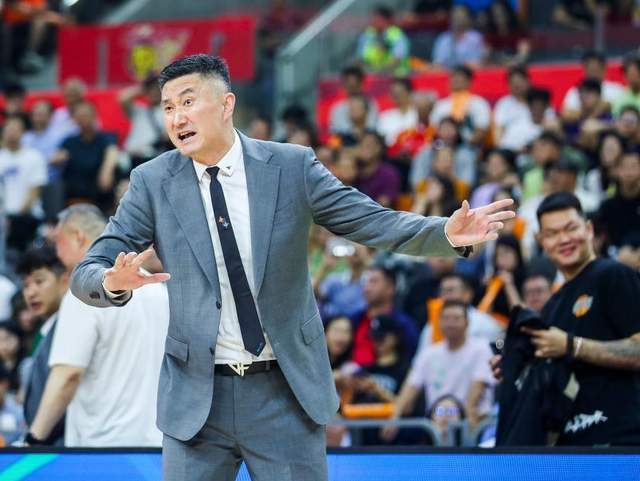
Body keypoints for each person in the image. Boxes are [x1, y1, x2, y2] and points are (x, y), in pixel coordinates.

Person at [70, 54, 513, 481]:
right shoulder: (151, 181)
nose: (177, 117)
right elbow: (90, 267)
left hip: (285, 391)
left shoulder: (291, 166)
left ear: (226, 105)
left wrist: (444, 232)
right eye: (168, 107)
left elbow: (371, 220)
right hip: (196, 398)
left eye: (188, 101)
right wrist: (111, 282)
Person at [492, 192, 640, 445]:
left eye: (571, 228)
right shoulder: (553, 304)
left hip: (619, 441)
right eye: (552, 233)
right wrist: (516, 366)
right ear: (541, 241)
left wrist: (572, 345)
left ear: (589, 229)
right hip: (570, 447)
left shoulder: (613, 275)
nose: (563, 239)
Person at [24, 204, 169, 447]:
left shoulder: (82, 293)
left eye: (58, 243)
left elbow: (68, 375)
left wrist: (33, 439)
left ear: (78, 237)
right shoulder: (157, 288)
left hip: (101, 447)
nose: (57, 254)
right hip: (158, 443)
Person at [383, 300, 495, 442]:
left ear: (467, 323)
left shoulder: (481, 348)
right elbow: (411, 387)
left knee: (449, 410)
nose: (450, 323)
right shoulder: (429, 353)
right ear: (439, 323)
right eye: (446, 318)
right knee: (442, 411)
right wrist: (394, 417)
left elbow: (476, 393)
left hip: (471, 420)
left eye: (456, 319)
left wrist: (469, 427)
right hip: (436, 420)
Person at [18, 244, 68, 446]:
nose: (31, 292)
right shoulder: (45, 331)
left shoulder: (68, 326)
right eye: (26, 285)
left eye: (39, 281)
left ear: (64, 280)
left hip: (63, 447)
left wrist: (33, 440)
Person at [118, 73, 171, 169]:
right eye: (151, 89)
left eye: (157, 89)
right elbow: (123, 98)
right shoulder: (140, 111)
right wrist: (144, 88)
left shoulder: (169, 111)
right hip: (130, 159)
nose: (154, 92)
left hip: (153, 158)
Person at [430, 66, 491, 146]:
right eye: (454, 77)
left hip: (468, 145)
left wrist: (469, 144)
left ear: (469, 82)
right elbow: (434, 128)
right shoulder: (441, 104)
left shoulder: (478, 103)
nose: (456, 80)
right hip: (443, 146)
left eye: (460, 77)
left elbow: (481, 129)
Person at [561, 50, 625, 122]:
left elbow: (623, 112)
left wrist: (607, 106)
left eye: (595, 69)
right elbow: (566, 113)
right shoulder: (575, 91)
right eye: (590, 70)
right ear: (584, 70)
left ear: (604, 69)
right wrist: (592, 111)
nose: (593, 74)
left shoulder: (616, 89)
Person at [357, 5, 410, 76]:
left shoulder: (397, 35)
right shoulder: (367, 34)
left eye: (376, 19)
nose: (373, 21)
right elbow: (360, 58)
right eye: (372, 18)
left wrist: (377, 71)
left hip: (394, 76)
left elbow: (397, 60)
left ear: (386, 20)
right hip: (370, 75)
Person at [329, 65, 379, 134]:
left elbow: (372, 127)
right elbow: (337, 132)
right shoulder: (337, 109)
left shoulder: (371, 105)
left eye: (355, 86)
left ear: (361, 85)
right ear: (343, 86)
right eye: (350, 86)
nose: (352, 91)